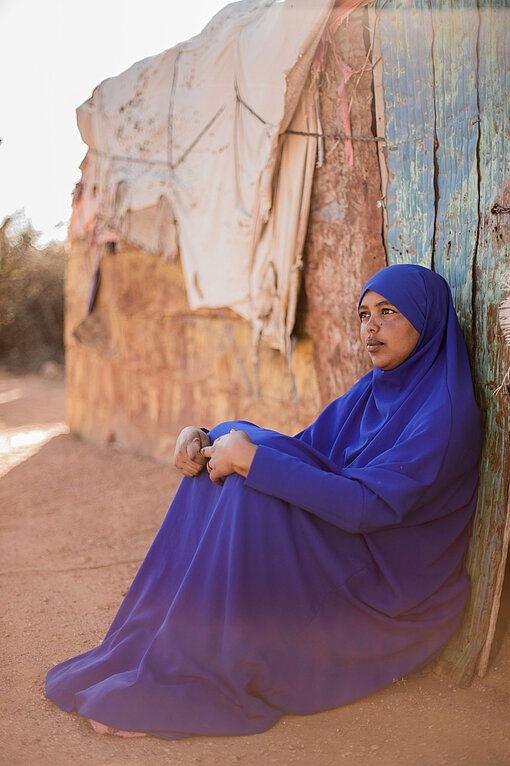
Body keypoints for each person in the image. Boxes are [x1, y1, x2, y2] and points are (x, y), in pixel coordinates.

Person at [45, 263, 481, 740]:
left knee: (252, 473)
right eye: (363, 314)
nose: (370, 327)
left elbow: (366, 508)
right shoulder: (374, 390)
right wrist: (211, 439)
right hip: (349, 549)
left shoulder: (446, 416)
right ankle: (151, 648)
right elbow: (305, 452)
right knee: (224, 466)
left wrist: (250, 457)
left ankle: (189, 678)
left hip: (391, 592)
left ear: (428, 319)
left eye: (388, 312)